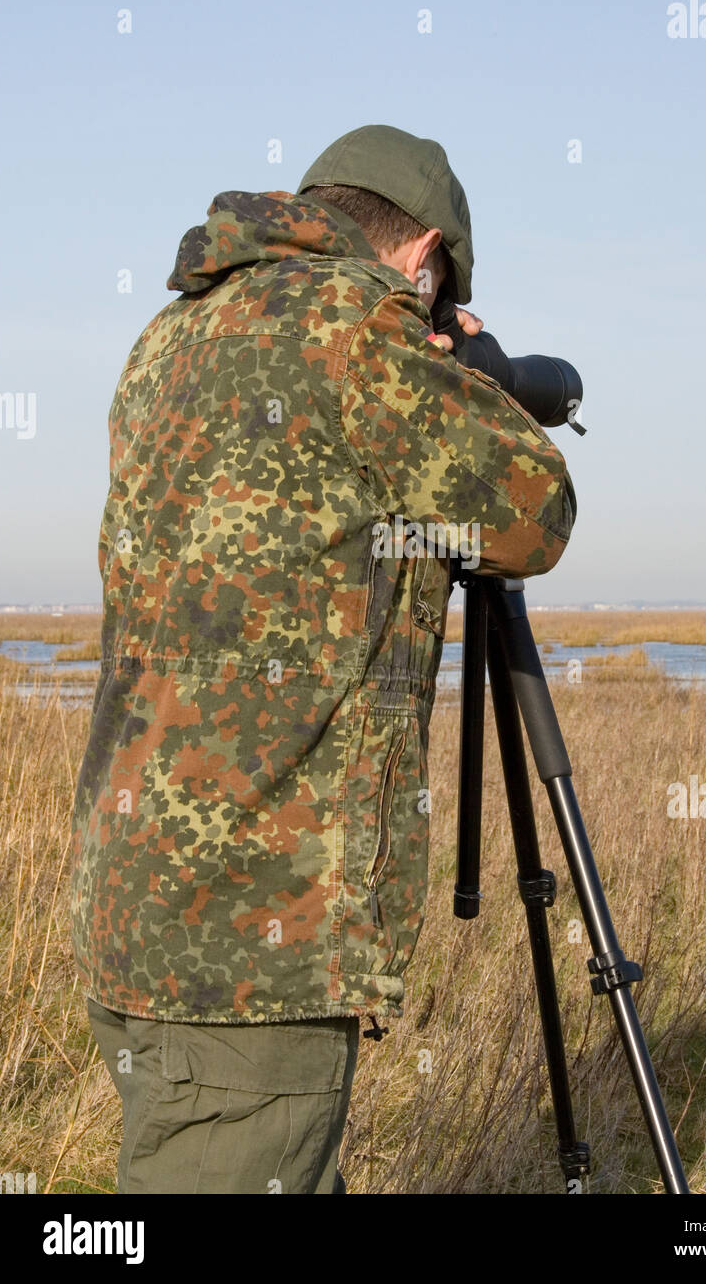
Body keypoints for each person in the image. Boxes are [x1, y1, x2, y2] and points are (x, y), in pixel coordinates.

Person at [70, 124, 576, 1194]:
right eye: (435, 289)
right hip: (254, 953)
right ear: (422, 254)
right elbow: (532, 513)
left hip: (135, 914)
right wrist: (477, 376)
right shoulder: (356, 327)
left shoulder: (170, 336)